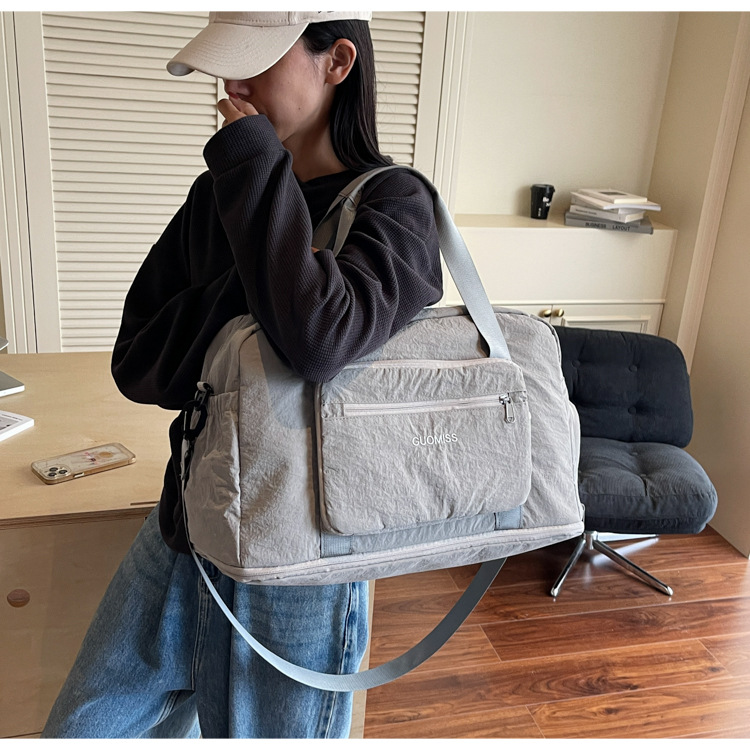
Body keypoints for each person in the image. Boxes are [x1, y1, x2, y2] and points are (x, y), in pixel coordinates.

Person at [42, 11, 442, 739]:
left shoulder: (395, 205)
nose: (233, 85)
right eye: (226, 66)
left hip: (302, 563)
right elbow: (139, 362)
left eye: (256, 60)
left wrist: (258, 182)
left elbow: (318, 340)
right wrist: (265, 289)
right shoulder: (219, 194)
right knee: (81, 729)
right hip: (184, 522)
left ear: (337, 61)